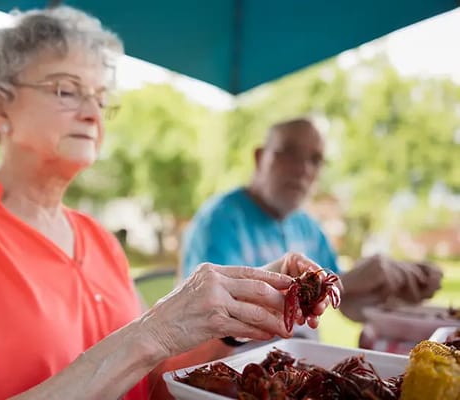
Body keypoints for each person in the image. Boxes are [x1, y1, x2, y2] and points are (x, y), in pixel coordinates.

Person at [0, 8, 331, 400]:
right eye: (67, 90)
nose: (91, 112)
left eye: (101, 98)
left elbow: (147, 381)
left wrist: (235, 316)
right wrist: (152, 331)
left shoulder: (98, 240)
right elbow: (142, 345)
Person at [181, 117, 443, 323]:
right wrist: (346, 281)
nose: (303, 169)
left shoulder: (308, 227)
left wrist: (395, 287)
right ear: (260, 158)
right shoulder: (220, 220)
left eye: (315, 160)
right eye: (289, 153)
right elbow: (217, 312)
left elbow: (345, 301)